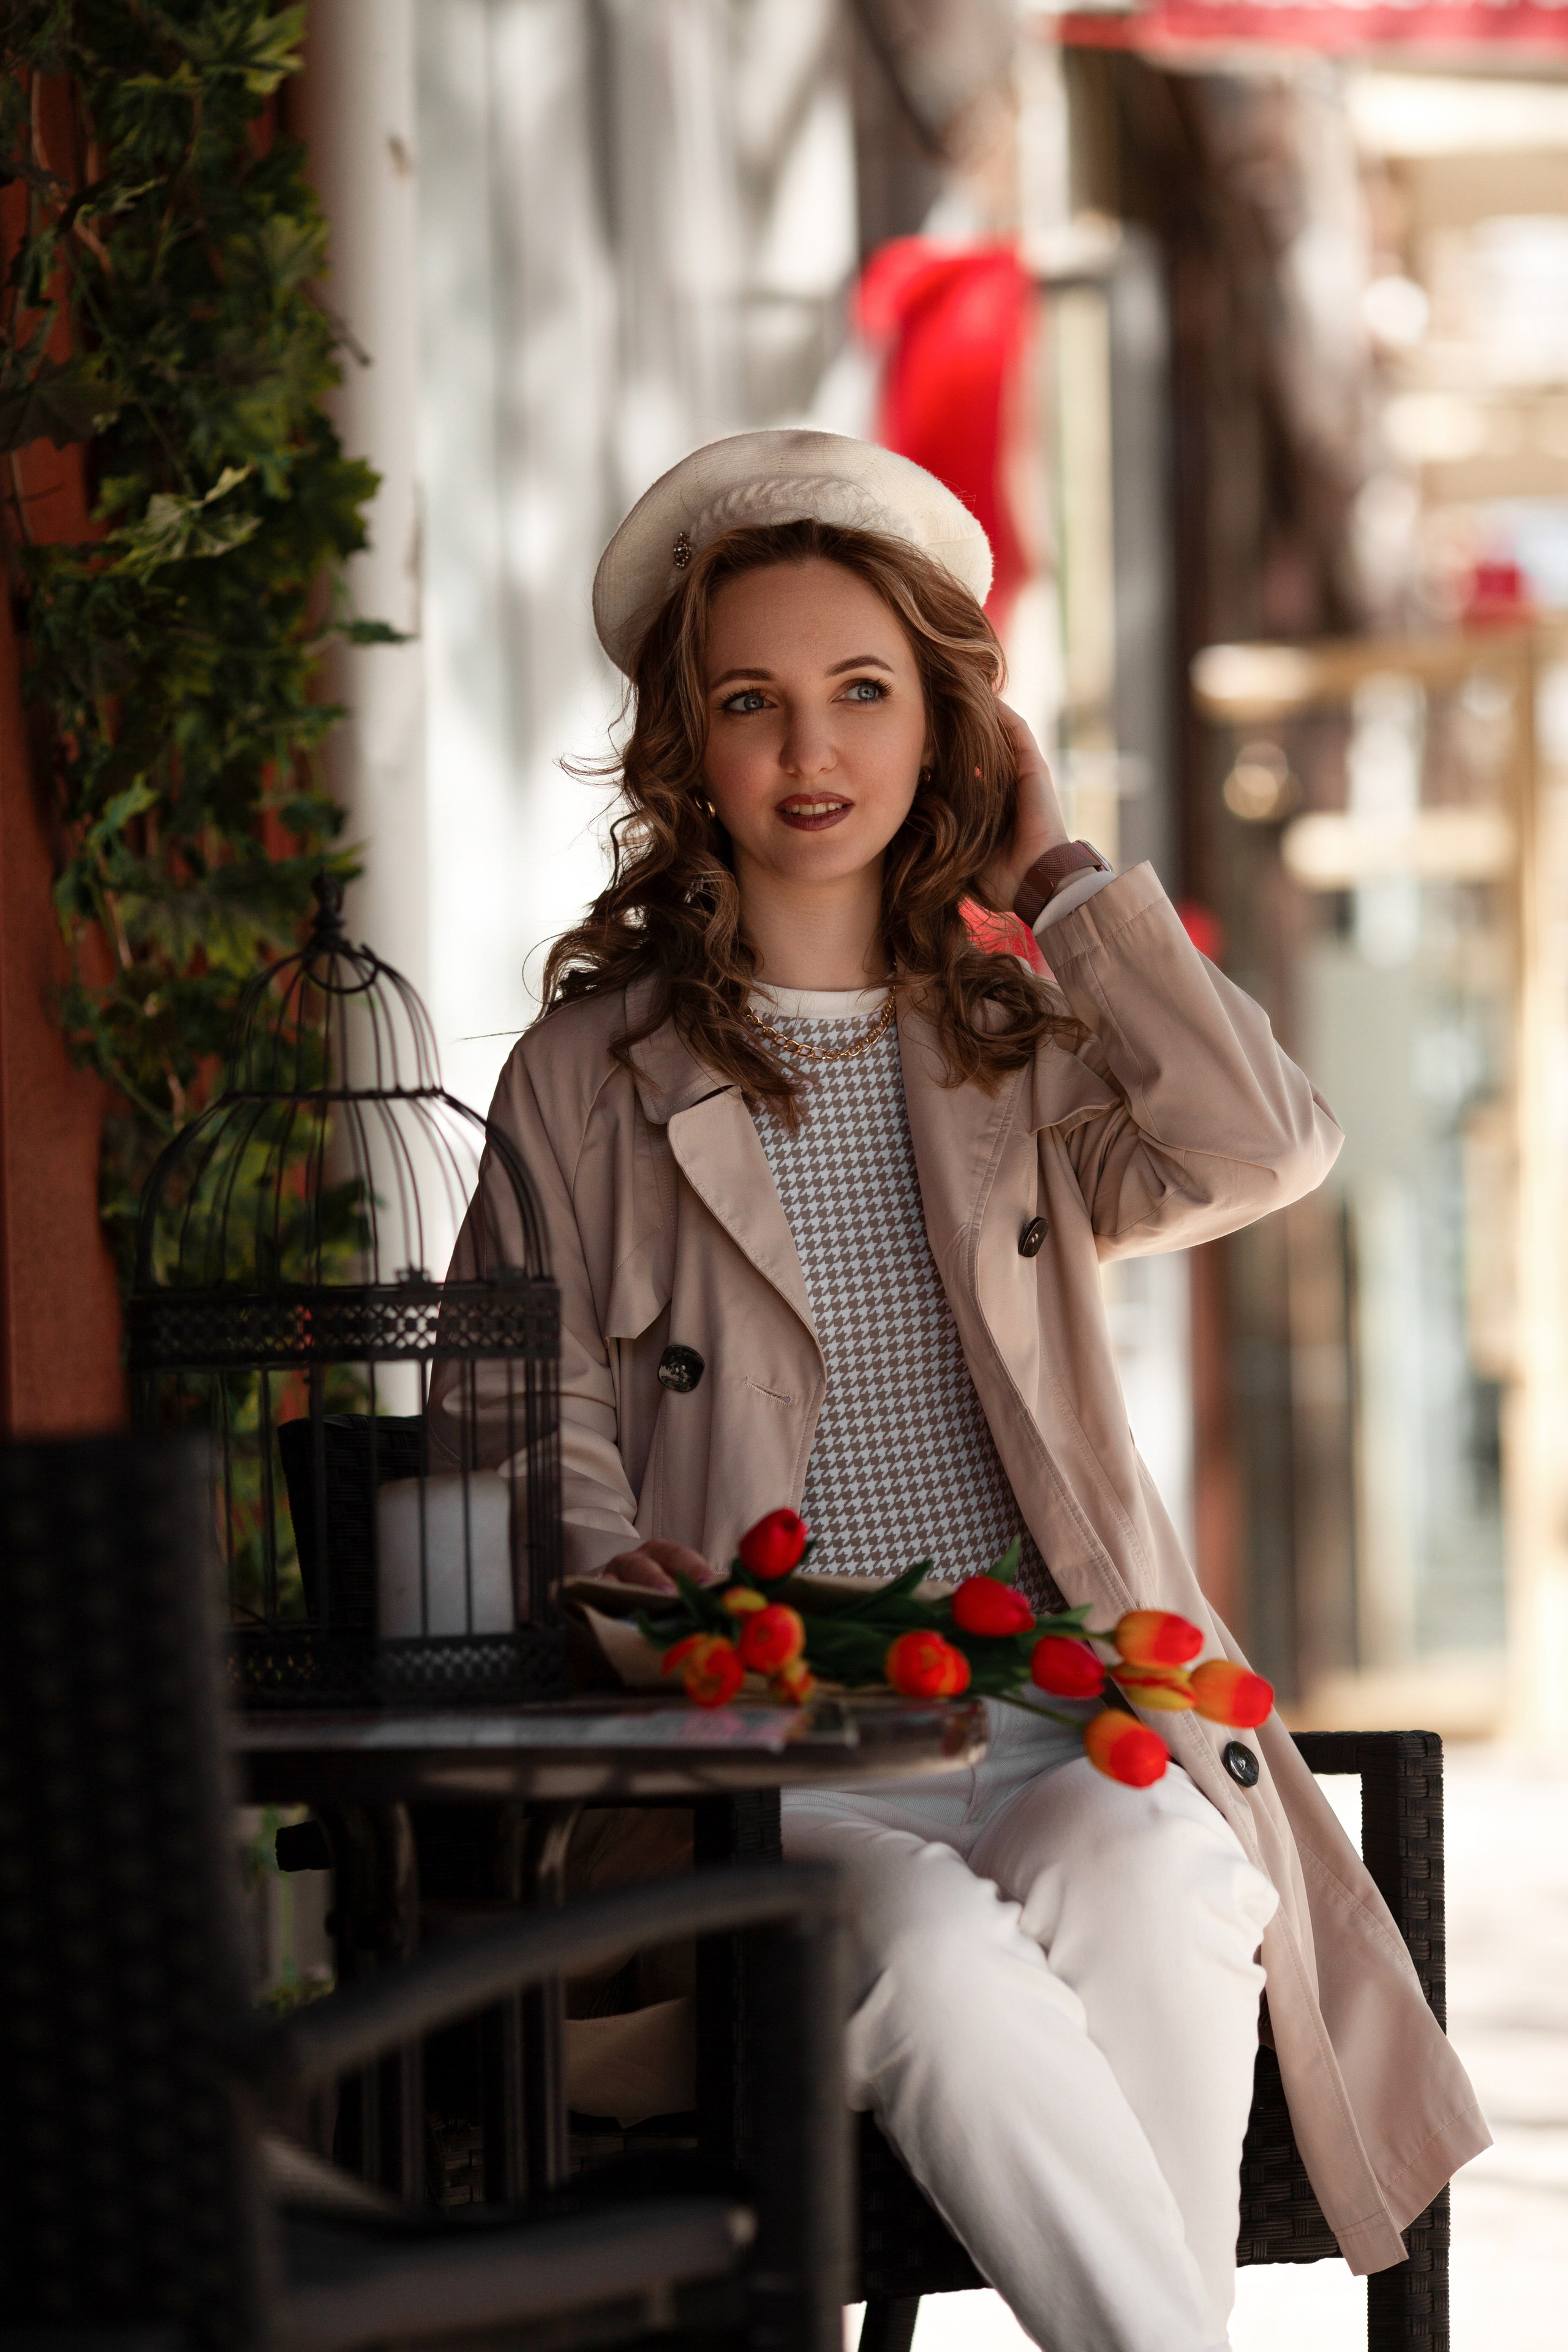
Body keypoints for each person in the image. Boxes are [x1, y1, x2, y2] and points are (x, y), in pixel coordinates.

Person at [443, 431, 1486, 2350]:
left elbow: (1261, 1145)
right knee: (918, 1953)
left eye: (864, 692)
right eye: (750, 702)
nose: (810, 749)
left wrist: (1068, 877)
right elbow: (512, 1431)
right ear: (688, 747)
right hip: (748, 1764)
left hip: (1041, 1709)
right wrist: (651, 1610)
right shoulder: (583, 1080)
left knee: (1168, 1882)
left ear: (949, 729)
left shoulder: (1014, 1047)